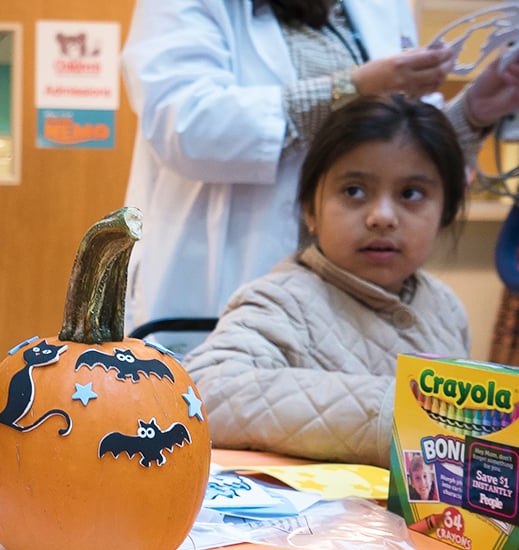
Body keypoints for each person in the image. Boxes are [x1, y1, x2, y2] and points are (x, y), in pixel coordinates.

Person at [120, 0, 519, 350]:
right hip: (226, 276)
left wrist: (472, 112)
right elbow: (187, 125)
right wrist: (351, 88)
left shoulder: (381, 7)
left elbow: (399, 150)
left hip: (351, 292)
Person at [183, 94, 471, 467]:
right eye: (354, 191)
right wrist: (395, 411)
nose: (382, 216)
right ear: (310, 210)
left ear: (444, 212)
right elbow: (203, 392)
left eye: (411, 194)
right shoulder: (278, 301)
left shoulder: (446, 306)